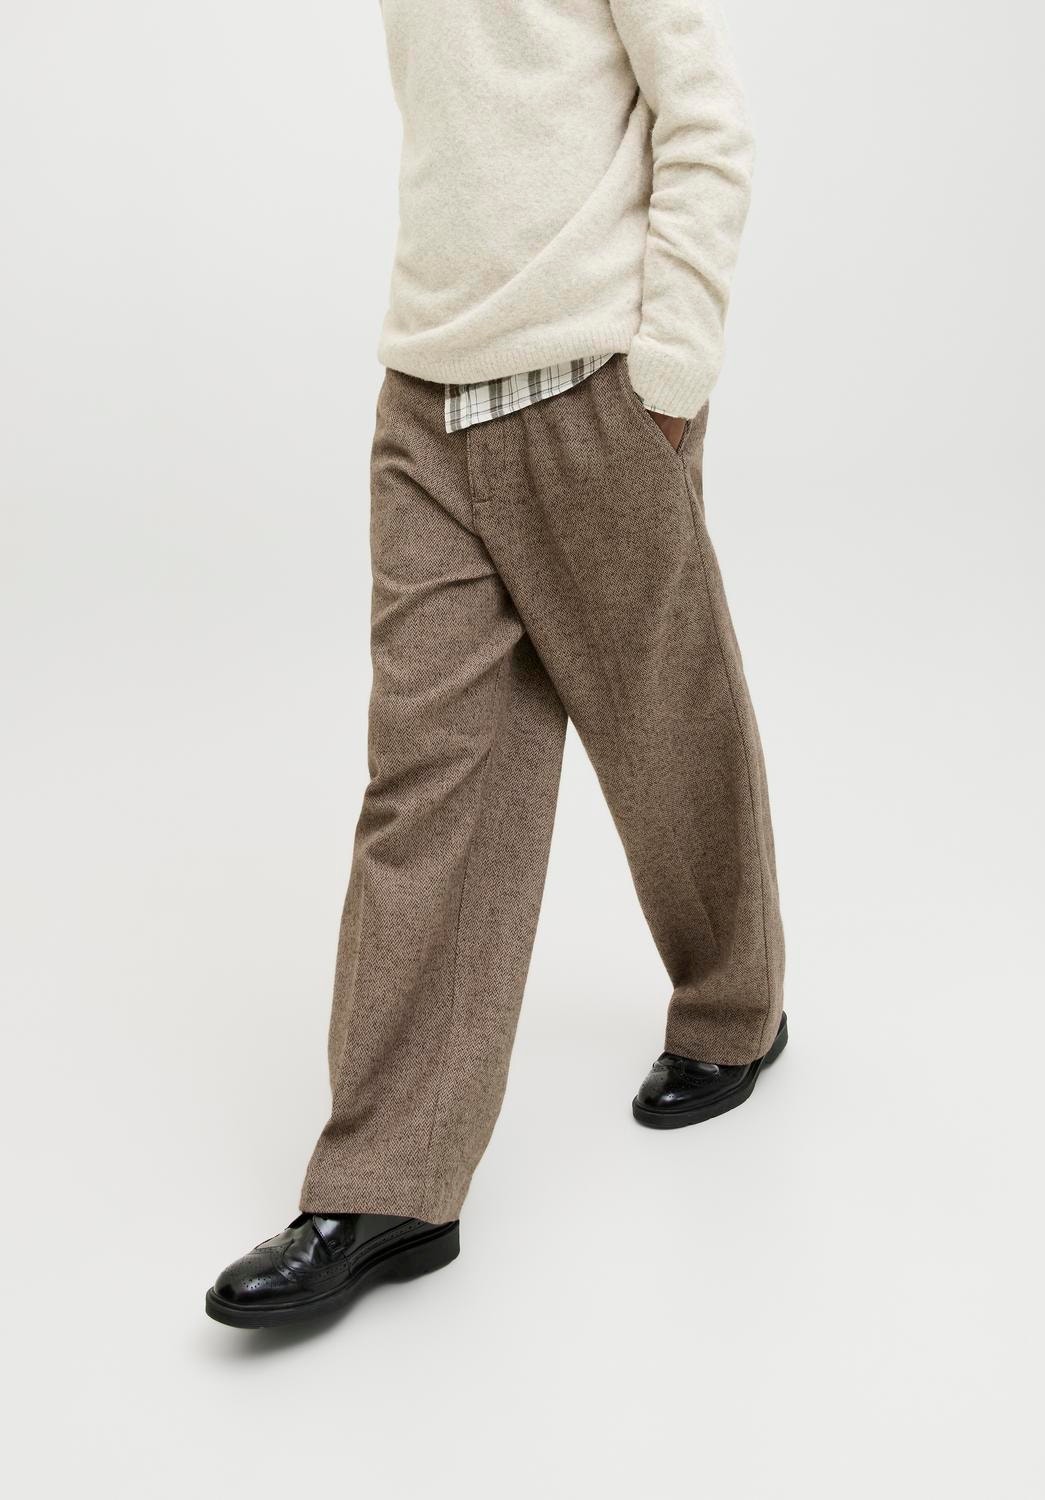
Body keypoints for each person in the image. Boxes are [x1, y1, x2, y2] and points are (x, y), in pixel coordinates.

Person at [206, 0, 786, 1330]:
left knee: (661, 727)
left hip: (591, 387)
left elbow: (706, 116)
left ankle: (733, 1008)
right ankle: (386, 1183)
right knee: (425, 779)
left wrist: (668, 374)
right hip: (425, 395)